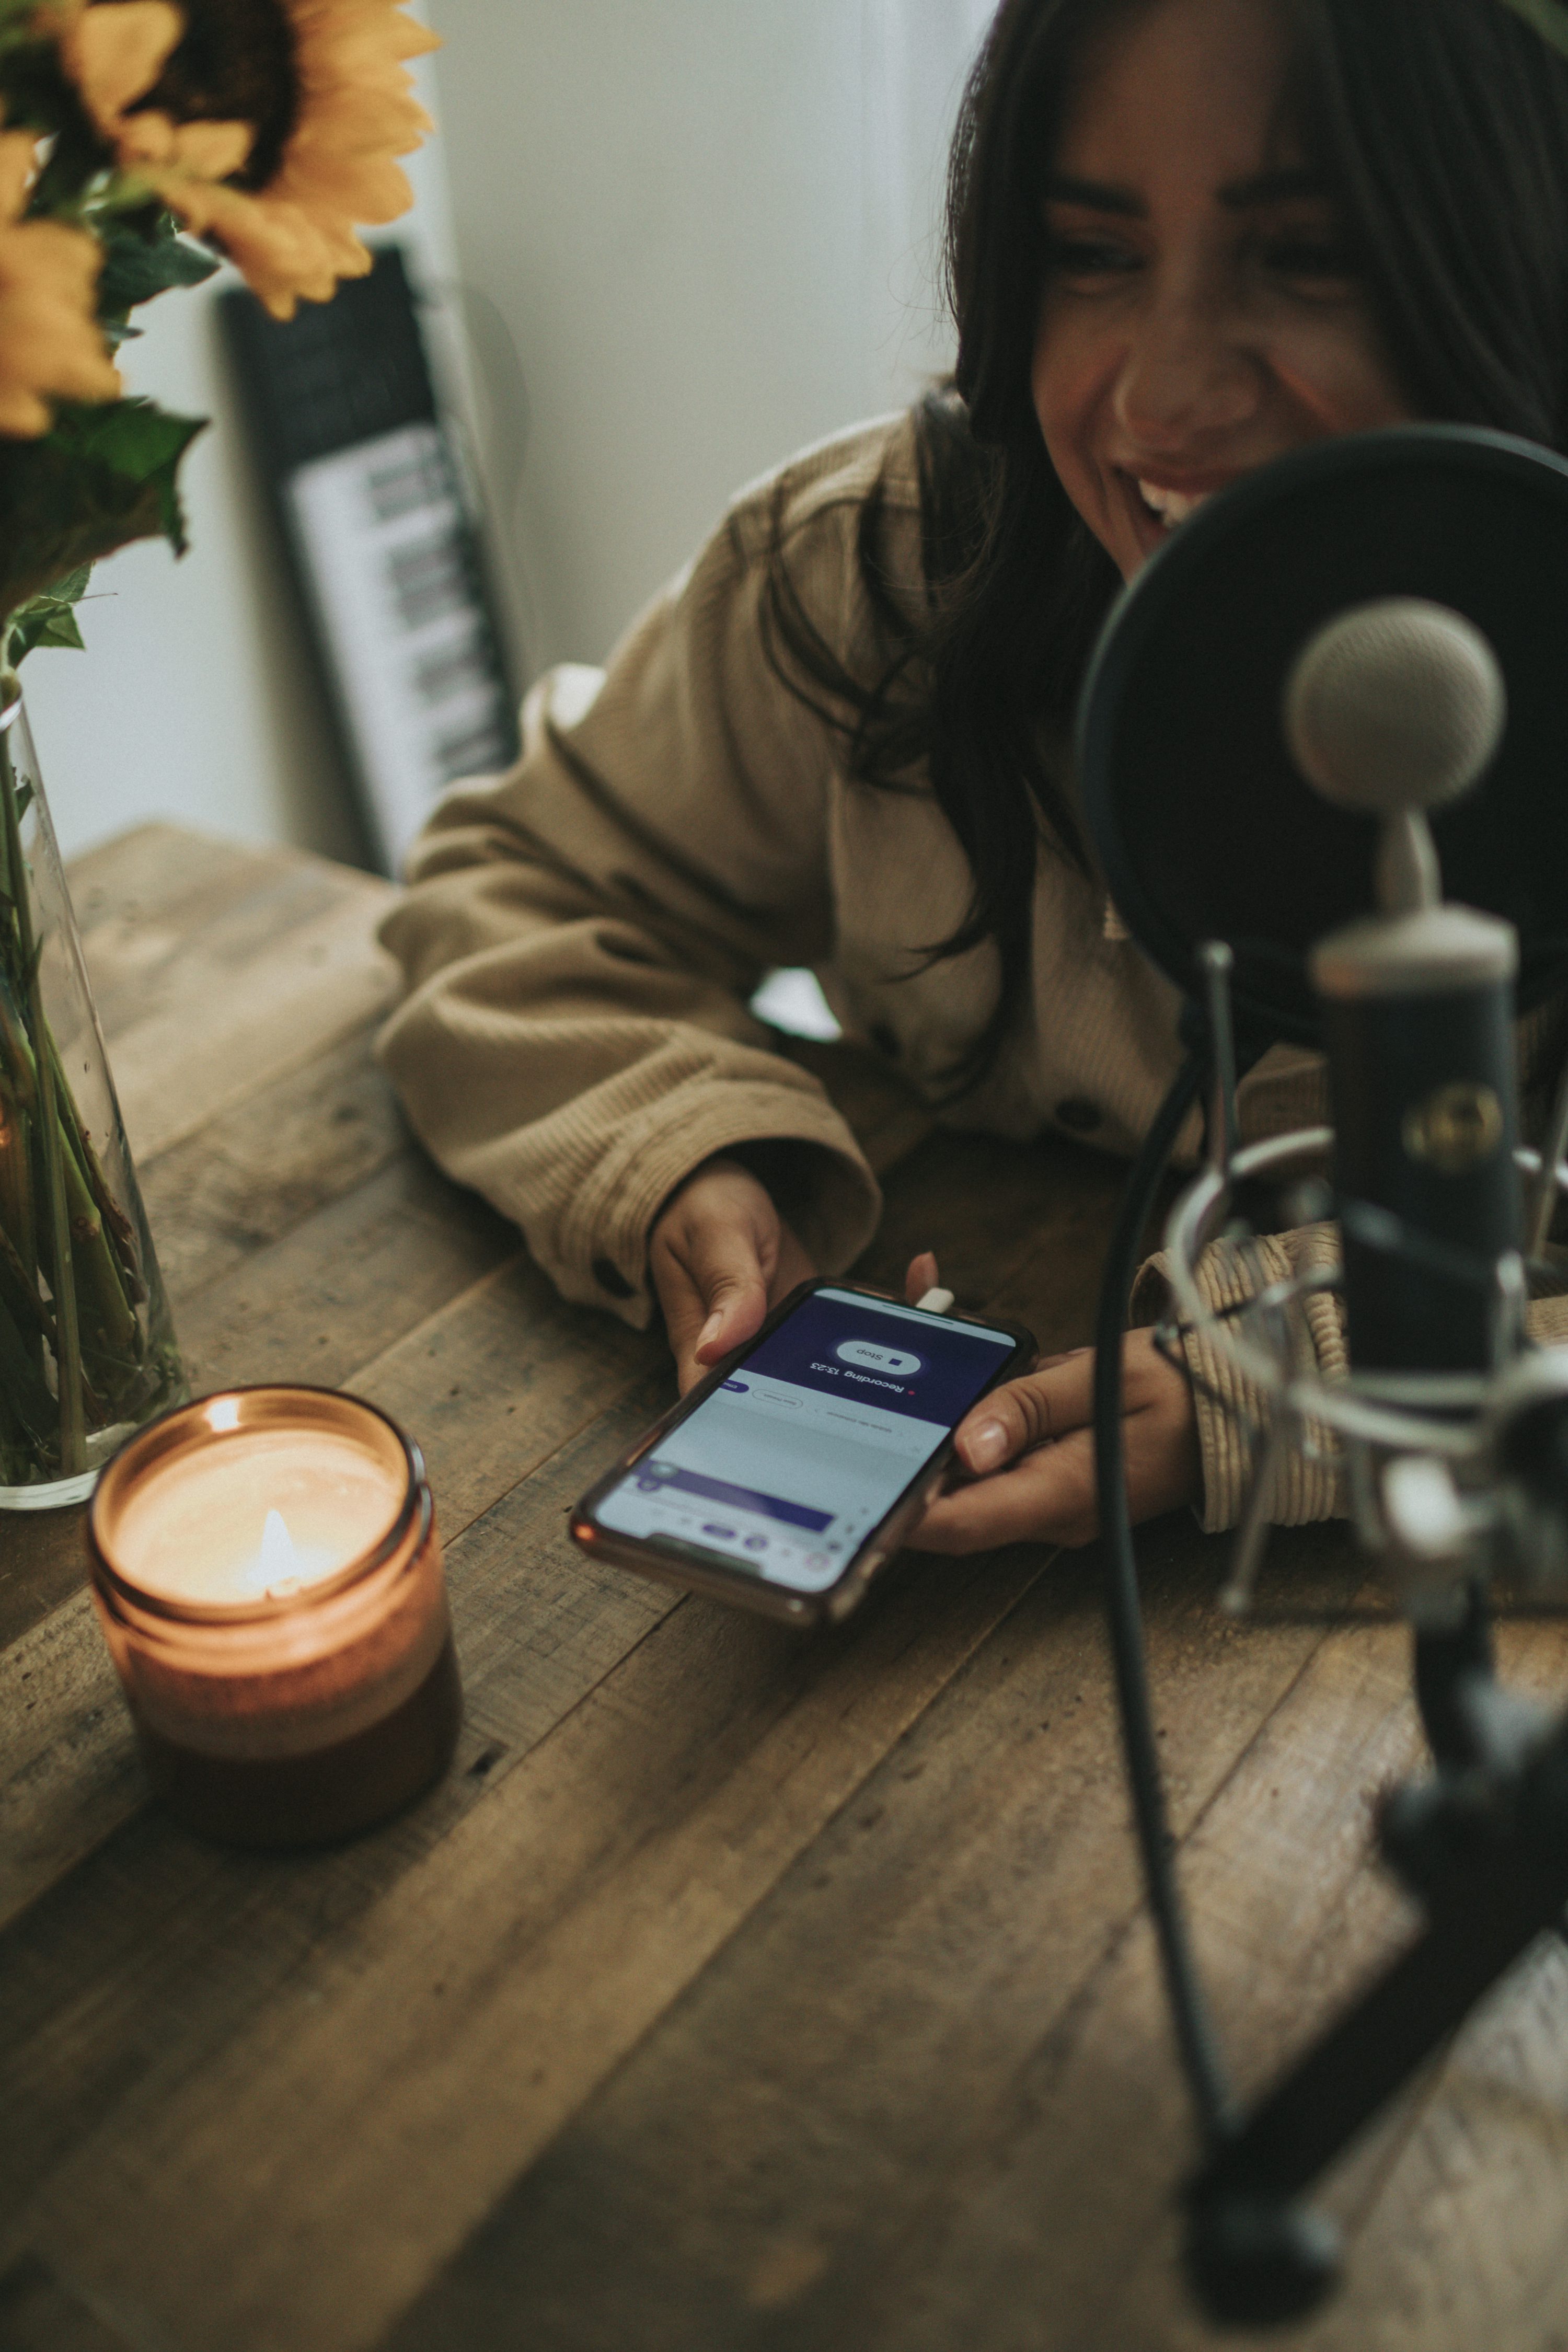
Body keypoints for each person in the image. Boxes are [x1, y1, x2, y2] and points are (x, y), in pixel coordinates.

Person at [378, 0, 1568, 1549]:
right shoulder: (866, 578)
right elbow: (510, 888)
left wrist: (1291, 1390)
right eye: (1094, 254)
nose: (1159, 398)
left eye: (1307, 256)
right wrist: (674, 1149)